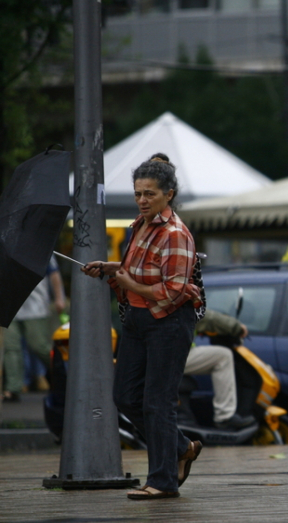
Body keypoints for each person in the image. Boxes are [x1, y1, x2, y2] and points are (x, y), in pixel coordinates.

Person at [81, 153, 203, 500]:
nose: (142, 200)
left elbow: (174, 290)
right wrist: (109, 267)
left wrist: (130, 285)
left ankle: (162, 481)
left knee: (158, 402)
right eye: (137, 193)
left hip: (166, 321)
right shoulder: (139, 225)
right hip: (137, 321)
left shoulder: (176, 233)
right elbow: (139, 266)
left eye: (149, 194)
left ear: (169, 194)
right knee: (126, 397)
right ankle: (180, 448)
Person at [3, 258, 66, 401]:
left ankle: (62, 376)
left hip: (35, 306)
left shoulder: (39, 244)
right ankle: (12, 389)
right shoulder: (6, 245)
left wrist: (59, 297)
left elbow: (54, 274)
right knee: (11, 347)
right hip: (8, 305)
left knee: (39, 346)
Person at [186, 309, 255, 429]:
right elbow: (205, 317)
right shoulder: (177, 293)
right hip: (172, 356)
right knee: (223, 356)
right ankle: (224, 416)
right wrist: (236, 327)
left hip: (158, 355)